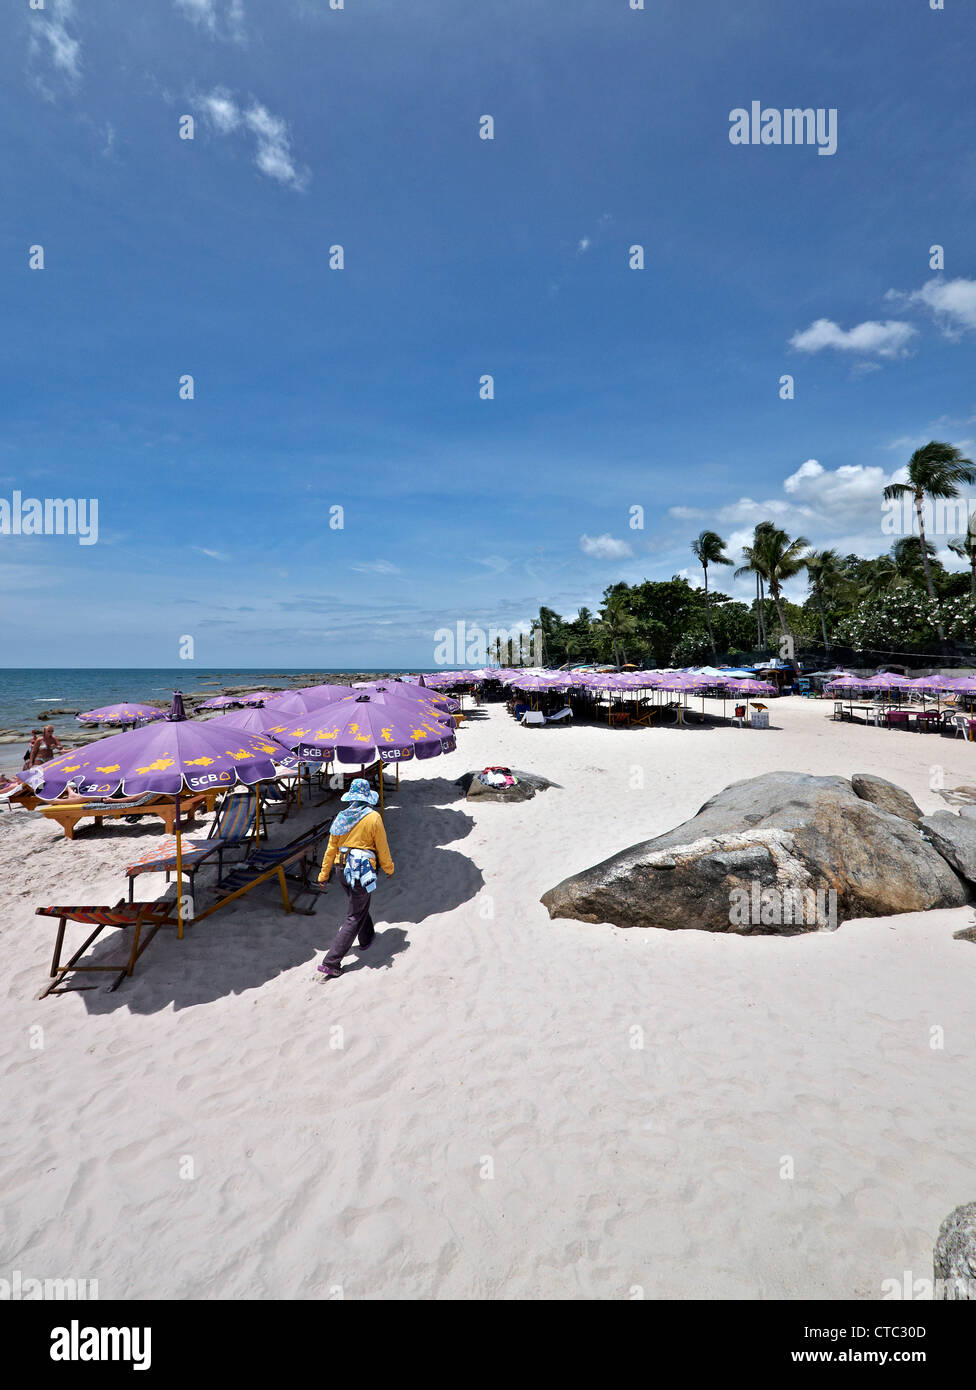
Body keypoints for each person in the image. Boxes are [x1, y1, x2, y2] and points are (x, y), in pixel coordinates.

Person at [316, 777, 394, 979]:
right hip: (362, 870)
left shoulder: (341, 817)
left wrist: (323, 874)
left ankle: (367, 937)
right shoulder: (373, 817)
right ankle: (331, 962)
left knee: (358, 905)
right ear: (367, 797)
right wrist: (389, 868)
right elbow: (382, 848)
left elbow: (330, 849)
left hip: (340, 869)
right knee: (353, 915)